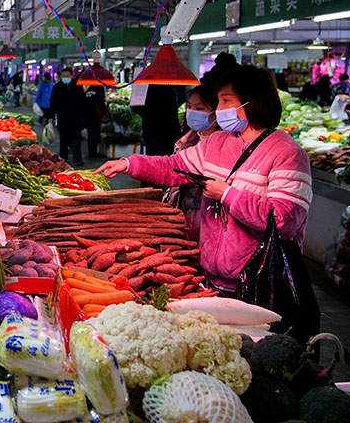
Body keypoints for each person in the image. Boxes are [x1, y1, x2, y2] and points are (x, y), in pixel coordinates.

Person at [97, 65, 313, 298]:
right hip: (213, 277)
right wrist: (129, 164)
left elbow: (284, 219)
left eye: (226, 101)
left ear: (252, 102)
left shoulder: (287, 154)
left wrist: (228, 195)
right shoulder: (217, 142)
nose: (219, 109)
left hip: (262, 283)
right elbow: (173, 167)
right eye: (219, 101)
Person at [163, 84, 219, 242]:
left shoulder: (223, 146)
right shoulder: (185, 142)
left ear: (216, 112)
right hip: (182, 219)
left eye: (199, 108)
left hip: (208, 225)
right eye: (189, 107)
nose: (192, 112)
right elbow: (169, 169)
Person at [135, 86, 182, 157]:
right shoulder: (169, 91)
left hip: (150, 129)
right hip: (165, 132)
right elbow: (172, 113)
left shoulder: (145, 89)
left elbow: (136, 107)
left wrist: (148, 115)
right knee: (163, 158)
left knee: (151, 157)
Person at [49, 68, 83, 165]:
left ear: (72, 76)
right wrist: (51, 117)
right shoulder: (57, 87)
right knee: (63, 140)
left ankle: (77, 159)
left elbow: (82, 102)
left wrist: (82, 118)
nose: (65, 78)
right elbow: (53, 103)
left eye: (67, 76)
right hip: (62, 118)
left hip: (75, 119)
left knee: (76, 140)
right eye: (64, 76)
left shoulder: (78, 86)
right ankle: (63, 159)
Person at [81, 83, 107, 159]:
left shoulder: (89, 90)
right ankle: (94, 152)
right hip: (96, 114)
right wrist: (106, 111)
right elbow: (101, 102)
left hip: (87, 114)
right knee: (95, 132)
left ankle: (91, 152)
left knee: (90, 133)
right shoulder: (99, 89)